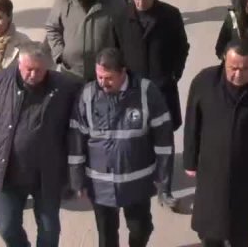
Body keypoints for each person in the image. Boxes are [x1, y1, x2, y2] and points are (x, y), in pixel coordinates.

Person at [0, 44, 81, 247]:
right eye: (29, 69)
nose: (33, 74)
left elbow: (80, 125)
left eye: (39, 69)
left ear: (47, 67)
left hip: (47, 175)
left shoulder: (66, 87)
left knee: (49, 230)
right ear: (19, 64)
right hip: (9, 172)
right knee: (6, 226)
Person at [184, 40, 248, 247]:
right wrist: (190, 160)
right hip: (212, 171)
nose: (238, 75)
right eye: (233, 68)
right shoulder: (204, 82)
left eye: (245, 69)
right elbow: (192, 123)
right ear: (224, 61)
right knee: (211, 231)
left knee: (244, 231)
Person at [68, 48, 174, 247]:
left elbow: (164, 139)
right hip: (100, 185)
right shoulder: (87, 95)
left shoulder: (145, 92)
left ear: (123, 72)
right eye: (99, 76)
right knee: (106, 236)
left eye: (108, 78)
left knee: (141, 228)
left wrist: (163, 177)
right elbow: (76, 138)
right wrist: (76, 179)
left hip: (137, 182)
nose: (102, 82)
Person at [106, 0, 191, 211]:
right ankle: (140, 184)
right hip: (132, 90)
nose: (141, 3)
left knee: (165, 140)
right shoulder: (121, 17)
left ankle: (165, 189)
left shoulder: (170, 15)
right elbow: (114, 50)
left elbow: (181, 47)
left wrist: (175, 73)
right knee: (136, 138)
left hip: (162, 88)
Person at [46, 0, 127, 82]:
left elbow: (126, 31)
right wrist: (60, 54)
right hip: (71, 73)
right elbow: (52, 27)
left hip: (103, 74)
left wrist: (119, 61)